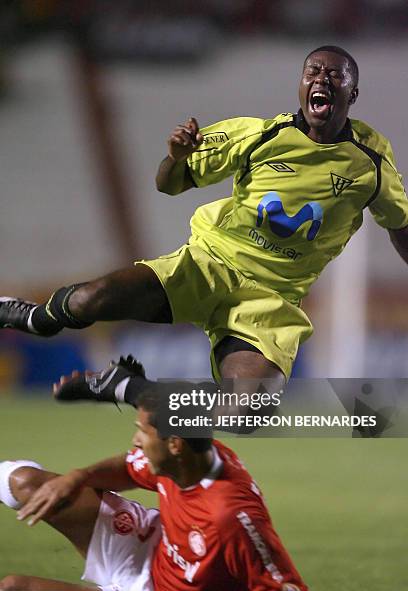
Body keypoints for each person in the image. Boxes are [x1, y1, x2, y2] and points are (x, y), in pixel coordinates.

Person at [1, 45, 407, 387]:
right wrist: (175, 157)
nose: (322, 79)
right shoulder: (257, 135)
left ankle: (125, 389)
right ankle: (36, 318)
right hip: (208, 265)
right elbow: (169, 183)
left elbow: (400, 226)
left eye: (335, 75)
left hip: (271, 301)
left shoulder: (370, 164)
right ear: (301, 85)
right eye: (313, 72)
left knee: (246, 411)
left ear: (352, 94)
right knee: (90, 300)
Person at [0, 358, 313, 591]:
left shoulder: (231, 517)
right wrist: (77, 477)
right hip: (145, 548)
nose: (136, 440)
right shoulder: (190, 456)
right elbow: (127, 466)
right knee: (25, 482)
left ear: (174, 444)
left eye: (142, 432)